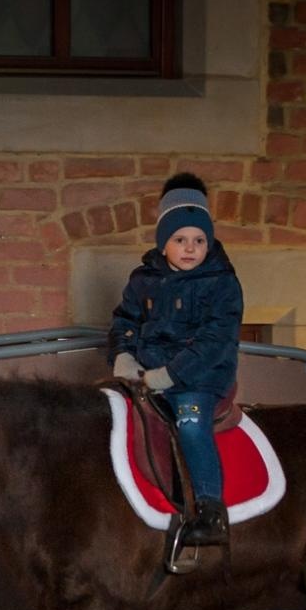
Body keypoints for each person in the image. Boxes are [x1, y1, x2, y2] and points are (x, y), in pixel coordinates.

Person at [107, 172, 245, 548]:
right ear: (163, 243)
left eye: (200, 240)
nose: (190, 248)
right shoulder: (143, 279)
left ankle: (210, 511)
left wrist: (169, 376)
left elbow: (214, 342)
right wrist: (122, 354)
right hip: (147, 373)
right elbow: (126, 321)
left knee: (190, 425)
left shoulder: (222, 283)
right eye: (180, 240)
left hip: (198, 378)